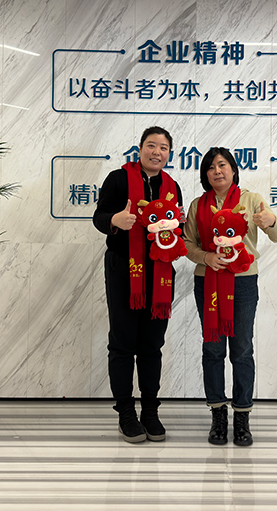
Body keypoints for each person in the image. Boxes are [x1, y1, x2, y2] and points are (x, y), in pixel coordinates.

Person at [182, 147, 277, 446]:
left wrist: (271, 221)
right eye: (211, 167)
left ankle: (242, 415)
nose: (217, 171)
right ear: (205, 174)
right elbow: (187, 243)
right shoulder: (197, 205)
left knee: (241, 350)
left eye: (222, 165)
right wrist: (205, 257)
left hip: (242, 283)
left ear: (233, 169)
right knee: (213, 350)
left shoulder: (252, 200)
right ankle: (218, 414)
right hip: (208, 282)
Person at [93, 126, 184, 444]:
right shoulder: (118, 179)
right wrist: (114, 221)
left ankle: (150, 412)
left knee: (152, 345)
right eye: (151, 145)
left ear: (169, 153)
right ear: (140, 148)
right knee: (122, 344)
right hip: (124, 269)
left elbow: (175, 228)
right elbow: (99, 216)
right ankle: (126, 413)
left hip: (160, 272)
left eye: (163, 147)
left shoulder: (172, 187)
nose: (157, 152)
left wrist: (178, 230)